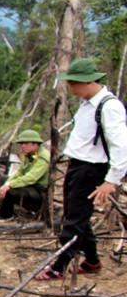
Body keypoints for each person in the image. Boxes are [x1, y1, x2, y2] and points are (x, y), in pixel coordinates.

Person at [36, 58, 127, 280]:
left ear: (88, 82)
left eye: (74, 83)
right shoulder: (88, 104)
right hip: (77, 166)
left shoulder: (109, 106)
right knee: (76, 215)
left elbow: (121, 145)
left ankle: (59, 266)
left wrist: (110, 180)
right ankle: (93, 260)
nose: (71, 88)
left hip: (91, 169)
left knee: (74, 220)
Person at [0, 129, 50, 222]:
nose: (23, 146)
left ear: (35, 144)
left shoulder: (43, 157)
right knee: (4, 179)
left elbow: (31, 178)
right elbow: (19, 172)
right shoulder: (32, 154)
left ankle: (6, 215)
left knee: (11, 190)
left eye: (26, 143)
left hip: (39, 191)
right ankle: (3, 208)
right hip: (31, 186)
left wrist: (9, 185)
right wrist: (7, 183)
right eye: (22, 143)